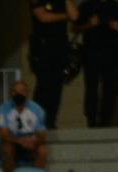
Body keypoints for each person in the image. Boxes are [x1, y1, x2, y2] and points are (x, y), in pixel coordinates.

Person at [30, 0, 79, 129]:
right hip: (43, 48)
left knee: (56, 86)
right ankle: (37, 121)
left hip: (60, 48)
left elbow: (74, 16)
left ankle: (51, 120)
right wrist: (64, 16)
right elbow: (43, 17)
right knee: (44, 85)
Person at [74, 0, 118, 127]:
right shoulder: (87, 6)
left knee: (110, 88)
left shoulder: (116, 5)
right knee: (91, 88)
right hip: (91, 53)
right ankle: (91, 120)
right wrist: (89, 24)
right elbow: (76, 27)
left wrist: (117, 26)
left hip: (112, 54)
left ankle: (105, 120)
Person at [0, 81, 50, 172]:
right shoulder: (3, 109)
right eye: (15, 91)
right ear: (11, 93)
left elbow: (42, 135)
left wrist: (33, 140)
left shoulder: (37, 110)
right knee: (6, 149)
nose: (18, 94)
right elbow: (3, 134)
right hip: (12, 142)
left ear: (27, 93)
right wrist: (19, 141)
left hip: (30, 143)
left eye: (21, 91)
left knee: (43, 151)